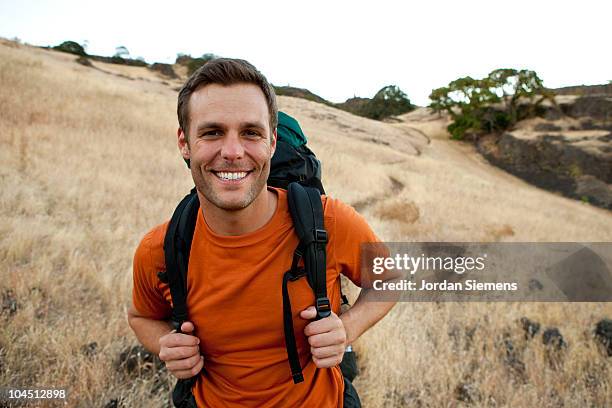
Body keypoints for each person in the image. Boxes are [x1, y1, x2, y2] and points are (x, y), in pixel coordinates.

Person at [128, 58, 396, 407]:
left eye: (250, 133)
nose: (233, 152)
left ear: (271, 142)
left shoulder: (328, 222)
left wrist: (348, 327)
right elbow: (141, 316)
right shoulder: (161, 249)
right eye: (212, 132)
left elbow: (390, 279)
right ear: (184, 143)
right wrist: (166, 343)